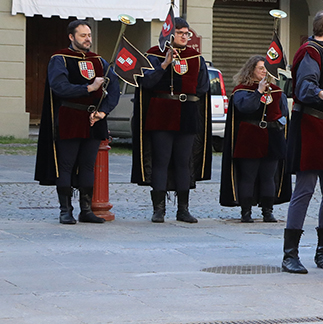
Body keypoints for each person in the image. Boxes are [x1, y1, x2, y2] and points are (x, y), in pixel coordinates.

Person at [34, 19, 121, 224]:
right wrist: (88, 88)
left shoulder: (99, 61)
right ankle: (66, 210)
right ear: (71, 37)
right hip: (70, 117)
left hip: (94, 119)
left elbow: (114, 89)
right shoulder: (60, 59)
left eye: (89, 35)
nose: (87, 39)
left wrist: (103, 111)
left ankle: (86, 210)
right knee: (66, 165)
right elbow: (59, 87)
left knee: (88, 166)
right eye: (83, 35)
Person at [283, 10, 323, 273]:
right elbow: (304, 87)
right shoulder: (310, 51)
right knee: (305, 191)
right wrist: (322, 93)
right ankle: (290, 255)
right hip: (311, 126)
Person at [132, 17, 211, 223]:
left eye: (187, 33)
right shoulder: (154, 55)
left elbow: (203, 86)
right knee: (161, 160)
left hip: (187, 112)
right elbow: (146, 82)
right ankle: (159, 209)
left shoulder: (196, 57)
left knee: (183, 161)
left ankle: (183, 209)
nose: (185, 37)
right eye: (181, 33)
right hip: (161, 111)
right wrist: (165, 64)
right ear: (170, 34)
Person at [220, 56, 289, 223]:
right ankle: (246, 211)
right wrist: (258, 91)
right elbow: (246, 107)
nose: (264, 71)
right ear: (251, 70)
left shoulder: (277, 91)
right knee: (248, 176)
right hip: (250, 137)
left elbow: (284, 113)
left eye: (266, 68)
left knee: (268, 176)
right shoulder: (242, 91)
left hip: (272, 137)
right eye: (260, 68)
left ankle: (268, 211)